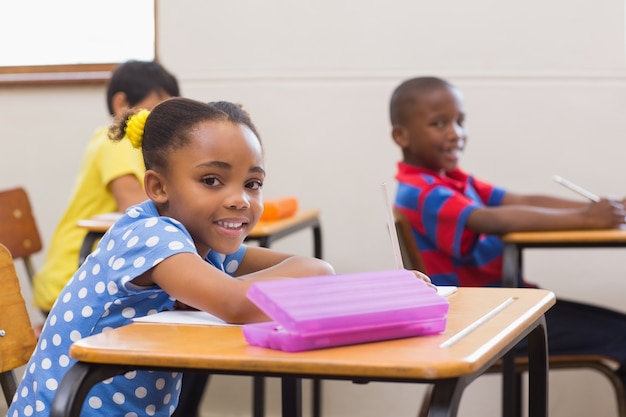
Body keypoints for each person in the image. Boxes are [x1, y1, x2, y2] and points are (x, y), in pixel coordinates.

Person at [8, 97, 337, 417]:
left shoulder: (204, 246)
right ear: (159, 187)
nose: (240, 200)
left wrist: (219, 289)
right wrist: (222, 291)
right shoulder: (151, 235)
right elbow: (237, 304)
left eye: (253, 183)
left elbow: (315, 269)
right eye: (211, 180)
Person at [390, 76, 626, 388]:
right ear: (401, 136)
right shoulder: (419, 192)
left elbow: (521, 200)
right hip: (487, 322)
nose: (455, 133)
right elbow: (490, 220)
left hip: (509, 306)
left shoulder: (454, 181)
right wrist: (586, 219)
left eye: (460, 122)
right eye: (439, 124)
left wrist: (600, 209)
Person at [32, 60, 180, 314]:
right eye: (154, 111)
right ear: (122, 105)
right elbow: (132, 203)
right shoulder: (117, 142)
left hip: (94, 270)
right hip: (76, 275)